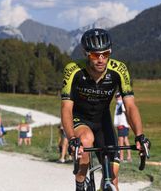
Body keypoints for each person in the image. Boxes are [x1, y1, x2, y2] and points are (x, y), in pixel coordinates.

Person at [61, 28, 150, 191]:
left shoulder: (119, 70)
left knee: (113, 178)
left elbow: (130, 106)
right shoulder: (73, 70)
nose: (101, 59)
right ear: (86, 53)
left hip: (103, 121)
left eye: (106, 54)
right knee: (86, 140)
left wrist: (139, 135)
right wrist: (72, 138)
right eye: (95, 55)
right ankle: (80, 183)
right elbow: (66, 108)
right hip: (80, 119)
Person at [114, 92, 131, 162]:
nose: (117, 97)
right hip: (121, 125)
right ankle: (128, 156)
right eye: (116, 96)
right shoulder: (118, 104)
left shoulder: (121, 103)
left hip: (123, 125)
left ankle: (121, 157)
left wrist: (128, 123)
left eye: (118, 96)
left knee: (121, 141)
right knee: (125, 140)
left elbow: (126, 113)